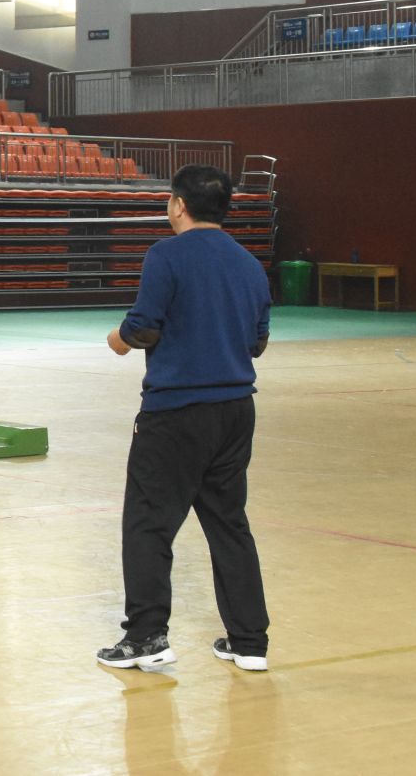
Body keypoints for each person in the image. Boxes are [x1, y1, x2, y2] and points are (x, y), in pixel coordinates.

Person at [96, 164, 272, 673]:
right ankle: (249, 642)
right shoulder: (249, 264)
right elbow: (257, 342)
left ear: (178, 204)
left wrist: (118, 340)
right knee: (229, 523)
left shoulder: (166, 254)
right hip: (235, 412)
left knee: (148, 523)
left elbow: (144, 326)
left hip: (175, 413)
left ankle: (146, 636)